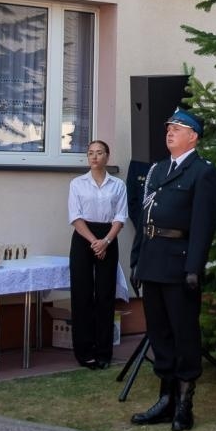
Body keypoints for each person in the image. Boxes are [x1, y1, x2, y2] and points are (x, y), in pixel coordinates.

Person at [129, 107, 216, 431]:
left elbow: (203, 225)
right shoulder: (157, 170)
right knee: (159, 333)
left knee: (184, 333)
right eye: (169, 127)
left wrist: (194, 267)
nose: (170, 132)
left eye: (178, 128)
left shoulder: (202, 172)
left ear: (193, 136)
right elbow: (145, 218)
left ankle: (184, 403)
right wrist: (136, 258)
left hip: (180, 264)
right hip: (153, 260)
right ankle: (165, 399)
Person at [68, 139, 128, 370]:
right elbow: (75, 216)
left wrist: (106, 241)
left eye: (99, 153)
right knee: (82, 294)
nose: (94, 157)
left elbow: (120, 217)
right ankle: (84, 352)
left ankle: (104, 351)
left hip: (108, 237)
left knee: (105, 295)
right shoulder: (77, 184)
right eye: (90, 153)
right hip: (84, 237)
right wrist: (94, 242)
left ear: (107, 157)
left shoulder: (117, 185)